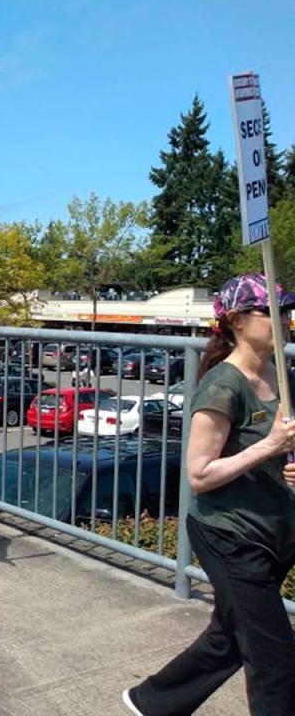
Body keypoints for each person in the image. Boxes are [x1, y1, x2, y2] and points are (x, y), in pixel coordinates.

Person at [124, 273, 295, 716]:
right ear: (237, 320)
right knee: (274, 657)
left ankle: (152, 702)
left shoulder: (284, 375)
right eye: (271, 310)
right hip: (229, 535)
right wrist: (269, 447)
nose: (285, 317)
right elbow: (199, 475)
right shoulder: (224, 385)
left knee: (229, 637)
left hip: (275, 531)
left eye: (287, 309)